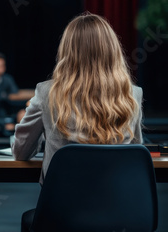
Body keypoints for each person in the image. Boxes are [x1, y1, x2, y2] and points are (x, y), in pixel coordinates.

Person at [12, 13, 143, 184]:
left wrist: (44, 133)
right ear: (112, 50)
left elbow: (20, 152)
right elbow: (136, 150)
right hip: (117, 205)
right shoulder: (132, 93)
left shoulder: (46, 92)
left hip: (61, 206)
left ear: (67, 51)